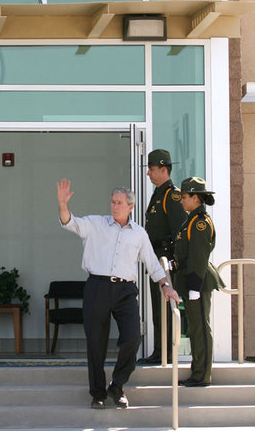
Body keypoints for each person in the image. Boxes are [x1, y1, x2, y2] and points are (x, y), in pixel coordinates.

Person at [57, 178, 178, 410]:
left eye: (119, 203)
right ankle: (98, 394)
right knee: (96, 343)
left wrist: (166, 285)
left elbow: (152, 264)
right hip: (97, 287)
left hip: (125, 290)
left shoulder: (139, 234)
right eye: (112, 202)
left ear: (130, 207)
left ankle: (117, 385)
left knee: (133, 337)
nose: (114, 206)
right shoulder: (95, 224)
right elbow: (69, 222)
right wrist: (63, 205)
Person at [173, 177, 224, 387]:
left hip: (199, 282)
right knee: (194, 328)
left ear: (196, 198)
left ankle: (202, 375)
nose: (182, 200)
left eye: (185, 197)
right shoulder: (191, 220)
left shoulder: (200, 222)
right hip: (192, 281)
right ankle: (197, 371)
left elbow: (198, 256)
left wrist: (194, 287)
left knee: (201, 328)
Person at [139, 149, 186, 365]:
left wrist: (175, 262)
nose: (148, 173)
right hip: (156, 257)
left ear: (163, 169)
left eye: (151, 169)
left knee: (165, 307)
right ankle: (160, 351)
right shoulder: (159, 193)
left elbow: (180, 231)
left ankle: (166, 352)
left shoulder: (172, 195)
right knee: (158, 307)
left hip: (166, 260)